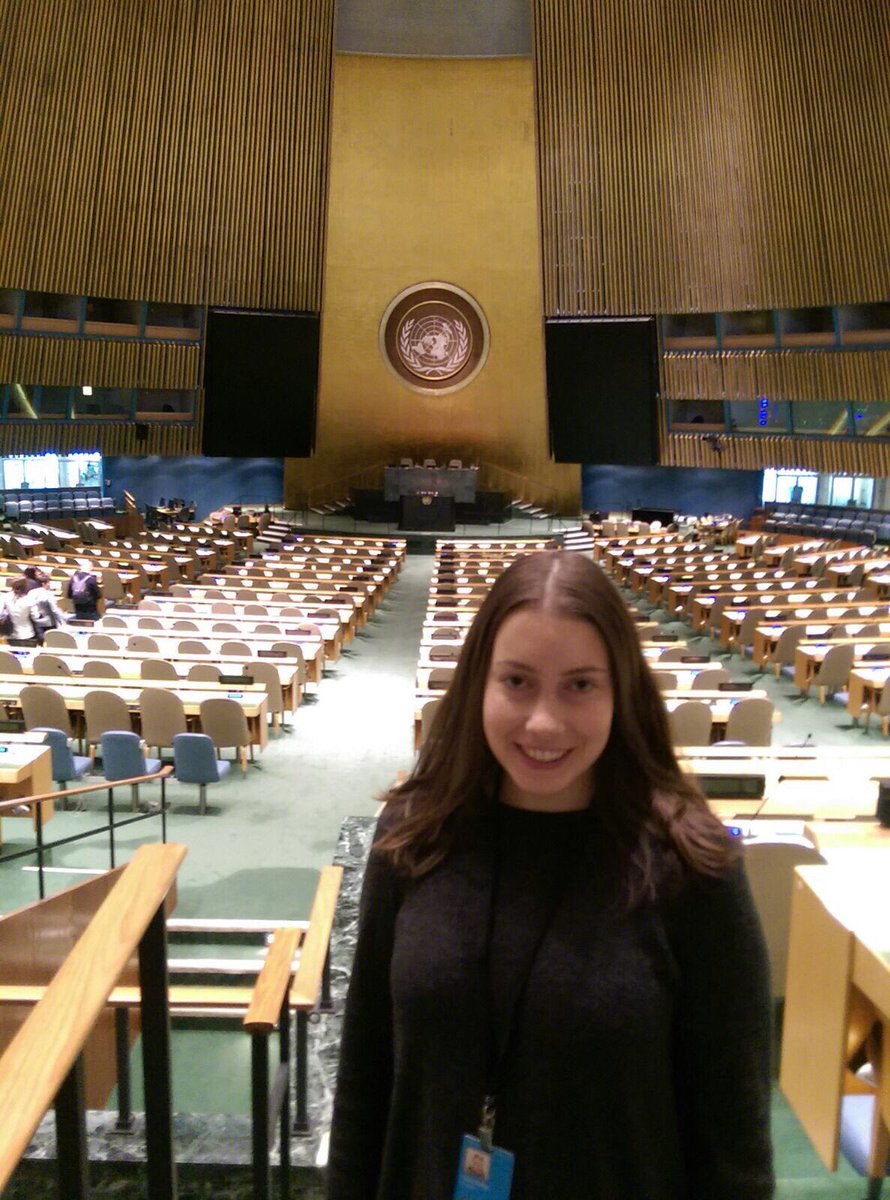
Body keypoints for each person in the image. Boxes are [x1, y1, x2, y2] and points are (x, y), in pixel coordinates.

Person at [327, 551, 774, 1200]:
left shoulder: (693, 870)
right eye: (517, 682)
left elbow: (735, 1155)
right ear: (479, 682)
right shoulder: (412, 837)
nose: (543, 721)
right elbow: (364, 1084)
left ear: (621, 691)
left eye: (580, 685)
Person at [1, 576, 67, 646]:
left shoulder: (5, 597)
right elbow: (36, 617)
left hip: (10, 634)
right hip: (27, 633)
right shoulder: (29, 600)